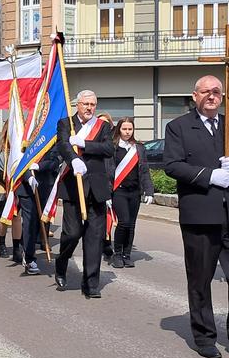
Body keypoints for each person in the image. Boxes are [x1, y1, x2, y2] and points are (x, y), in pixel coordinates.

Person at [164, 75, 229, 358]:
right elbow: (172, 165)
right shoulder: (178, 127)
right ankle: (204, 336)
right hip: (200, 215)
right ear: (195, 96)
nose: (212, 96)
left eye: (217, 92)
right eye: (206, 92)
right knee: (201, 279)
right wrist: (208, 176)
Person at [55, 90, 114, 299]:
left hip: (96, 189)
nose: (89, 108)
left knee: (94, 238)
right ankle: (61, 265)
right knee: (71, 234)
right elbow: (62, 145)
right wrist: (73, 159)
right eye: (86, 104)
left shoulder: (103, 126)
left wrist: (85, 145)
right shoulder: (66, 123)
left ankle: (90, 283)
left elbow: (108, 149)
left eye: (93, 104)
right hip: (73, 187)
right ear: (77, 105)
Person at [109, 117, 154, 269]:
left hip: (135, 191)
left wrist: (149, 191)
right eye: (124, 129)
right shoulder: (113, 147)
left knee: (132, 224)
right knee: (124, 222)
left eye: (130, 129)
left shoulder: (139, 148)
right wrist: (106, 193)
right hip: (118, 191)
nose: (127, 132)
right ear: (119, 129)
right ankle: (117, 254)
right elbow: (107, 170)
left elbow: (145, 170)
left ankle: (127, 255)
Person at [0, 123, 23, 261]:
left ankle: (16, 248)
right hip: (3, 186)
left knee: (17, 218)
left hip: (19, 186)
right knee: (4, 218)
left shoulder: (23, 145)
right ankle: (2, 243)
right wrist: (8, 180)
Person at [97, 112, 115, 258]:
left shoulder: (115, 142)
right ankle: (105, 242)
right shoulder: (94, 142)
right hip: (100, 184)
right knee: (102, 216)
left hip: (116, 184)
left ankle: (108, 240)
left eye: (106, 123)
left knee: (112, 216)